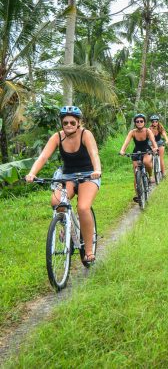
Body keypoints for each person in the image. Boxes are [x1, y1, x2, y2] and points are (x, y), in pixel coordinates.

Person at [25, 106, 101, 263]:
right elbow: (43, 156)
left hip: (88, 175)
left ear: (78, 122)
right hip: (67, 176)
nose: (68, 125)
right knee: (57, 202)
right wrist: (32, 173)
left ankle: (88, 251)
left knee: (83, 208)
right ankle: (66, 227)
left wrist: (97, 170)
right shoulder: (57, 137)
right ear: (61, 123)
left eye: (72, 122)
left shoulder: (86, 135)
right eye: (65, 122)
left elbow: (94, 153)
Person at [119, 113, 158, 199]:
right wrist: (122, 150)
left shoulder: (148, 131)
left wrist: (155, 147)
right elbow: (126, 142)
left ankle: (150, 176)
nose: (139, 123)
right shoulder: (132, 132)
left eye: (141, 121)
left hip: (147, 150)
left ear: (144, 122)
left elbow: (153, 141)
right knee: (136, 173)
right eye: (137, 121)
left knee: (146, 162)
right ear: (135, 123)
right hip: (136, 152)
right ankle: (138, 195)